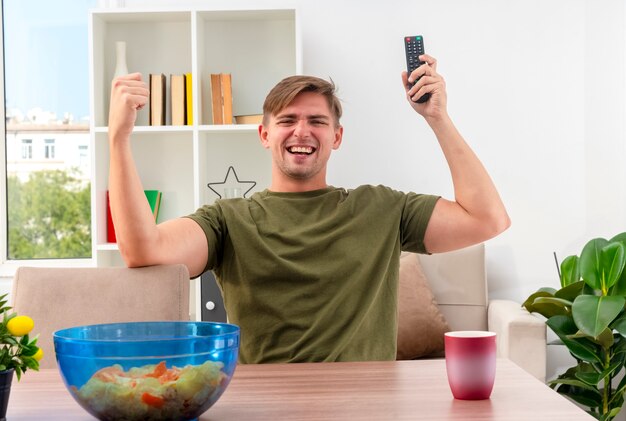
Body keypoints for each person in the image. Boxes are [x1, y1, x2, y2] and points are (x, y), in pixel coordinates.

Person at [107, 54, 510, 364]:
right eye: (288, 120)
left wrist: (437, 117)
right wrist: (119, 139)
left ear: (337, 137)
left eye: (317, 121)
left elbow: (487, 219)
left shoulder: (382, 208)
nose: (302, 131)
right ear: (265, 135)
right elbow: (143, 250)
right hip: (266, 404)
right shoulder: (228, 220)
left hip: (366, 404)